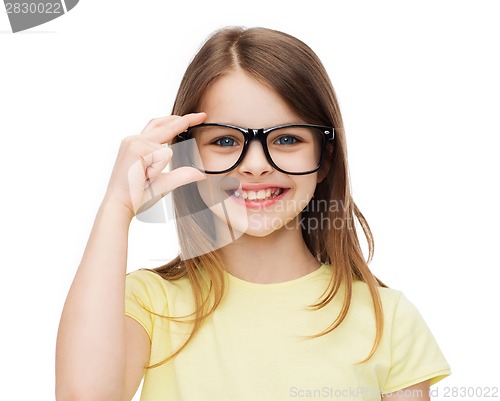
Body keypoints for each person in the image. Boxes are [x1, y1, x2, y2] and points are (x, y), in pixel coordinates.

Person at [55, 26, 451, 401]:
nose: (256, 165)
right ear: (186, 152)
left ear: (324, 159)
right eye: (227, 140)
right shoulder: (148, 302)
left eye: (287, 139)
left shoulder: (388, 318)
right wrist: (116, 208)